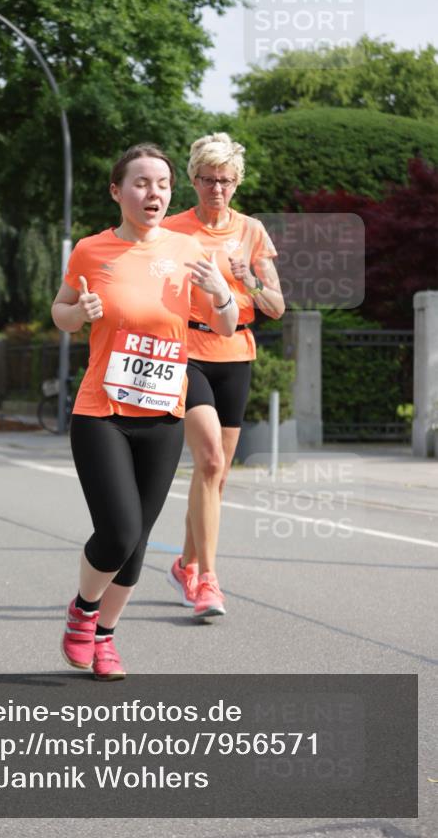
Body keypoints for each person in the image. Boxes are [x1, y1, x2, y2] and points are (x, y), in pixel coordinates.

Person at [51, 143, 239, 680]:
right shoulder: (91, 250)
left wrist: (221, 291)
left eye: (161, 183)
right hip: (101, 411)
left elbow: (224, 327)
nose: (152, 193)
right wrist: (77, 312)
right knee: (118, 531)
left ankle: (105, 636)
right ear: (117, 191)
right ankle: (84, 611)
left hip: (163, 415)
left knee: (136, 546)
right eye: (139, 183)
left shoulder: (188, 251)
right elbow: (61, 311)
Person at [163, 132, 285, 620]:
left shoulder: (252, 231)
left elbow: (276, 307)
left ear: (237, 182)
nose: (218, 189)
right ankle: (208, 582)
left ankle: (185, 563)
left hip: (236, 354)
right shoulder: (171, 230)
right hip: (184, 351)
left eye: (227, 181)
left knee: (218, 473)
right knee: (209, 458)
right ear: (193, 180)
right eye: (209, 180)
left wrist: (248, 278)